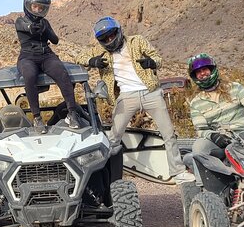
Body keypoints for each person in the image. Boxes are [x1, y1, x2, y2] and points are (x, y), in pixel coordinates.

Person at [78, 16, 190, 183]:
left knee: (168, 133)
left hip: (150, 91)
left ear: (118, 31)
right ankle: (105, 176)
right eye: (105, 39)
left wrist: (151, 62)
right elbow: (79, 58)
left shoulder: (137, 41)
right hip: (126, 95)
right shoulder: (100, 51)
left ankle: (178, 171)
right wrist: (92, 61)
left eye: (111, 35)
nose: (109, 40)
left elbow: (158, 59)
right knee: (113, 137)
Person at [15, 0, 81, 133]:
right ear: (28, 5)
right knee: (29, 75)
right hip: (27, 57)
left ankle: (72, 113)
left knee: (62, 74)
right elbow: (27, 28)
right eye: (35, 6)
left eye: (41, 7)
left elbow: (55, 40)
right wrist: (33, 27)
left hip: (46, 55)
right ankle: (37, 118)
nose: (38, 10)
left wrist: (46, 29)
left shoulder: (45, 22)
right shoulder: (20, 20)